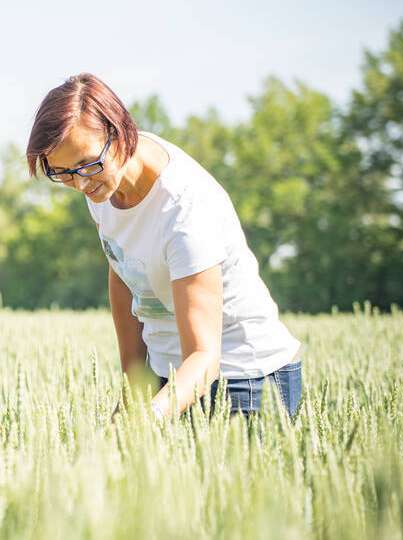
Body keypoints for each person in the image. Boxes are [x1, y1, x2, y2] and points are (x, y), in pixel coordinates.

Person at [27, 73, 302, 418]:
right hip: (168, 372)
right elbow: (122, 267)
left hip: (244, 377)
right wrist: (133, 389)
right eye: (62, 173)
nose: (79, 183)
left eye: (86, 164)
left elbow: (204, 357)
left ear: (120, 132)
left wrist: (145, 416)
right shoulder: (102, 180)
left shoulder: (184, 209)